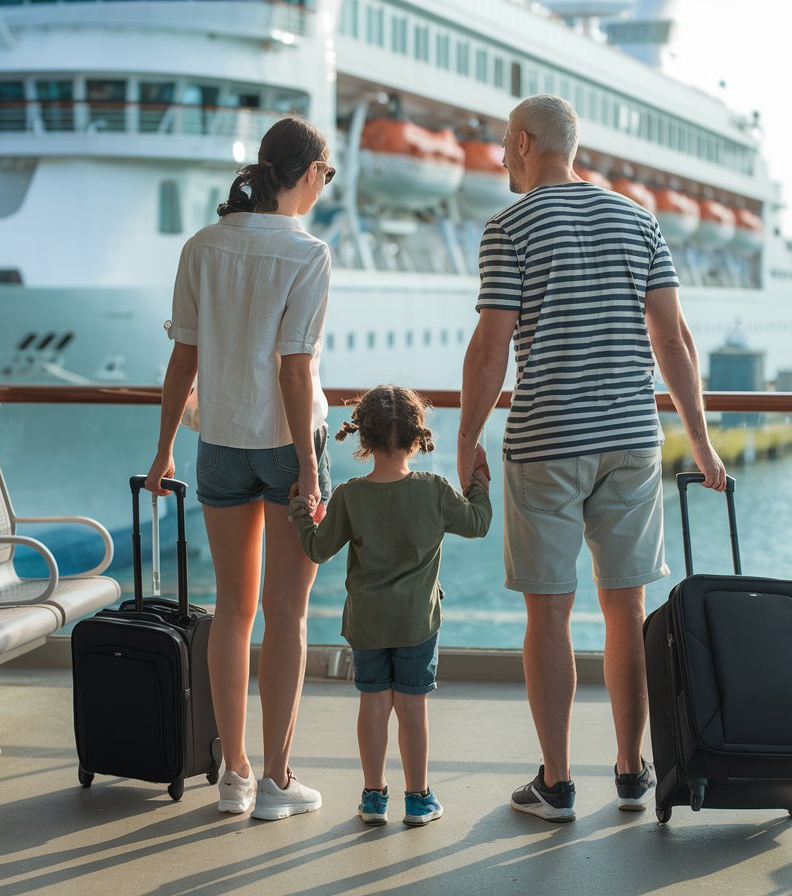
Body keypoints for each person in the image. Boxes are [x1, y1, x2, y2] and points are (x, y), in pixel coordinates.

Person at [455, 95, 727, 824]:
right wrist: (700, 441)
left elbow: (490, 347)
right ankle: (633, 771)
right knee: (627, 607)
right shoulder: (639, 219)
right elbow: (674, 341)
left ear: (522, 143)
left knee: (549, 614)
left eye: (505, 146)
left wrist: (465, 437)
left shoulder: (508, 226)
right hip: (634, 440)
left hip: (546, 441)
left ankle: (557, 783)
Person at [145, 115, 337, 822]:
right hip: (289, 446)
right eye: (327, 173)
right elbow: (296, 370)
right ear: (310, 171)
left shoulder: (203, 246)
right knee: (287, 612)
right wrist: (311, 477)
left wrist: (164, 449)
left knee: (234, 609)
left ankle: (235, 775)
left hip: (219, 441)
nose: (325, 185)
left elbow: (182, 363)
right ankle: (279, 782)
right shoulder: (308, 254)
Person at [287, 386, 492, 826]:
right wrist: (480, 482)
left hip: (367, 622)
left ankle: (374, 797)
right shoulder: (434, 490)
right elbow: (478, 524)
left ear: (363, 437)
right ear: (418, 438)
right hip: (418, 621)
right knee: (413, 707)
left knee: (373, 703)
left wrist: (301, 513)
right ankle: (418, 799)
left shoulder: (349, 495)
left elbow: (318, 550)